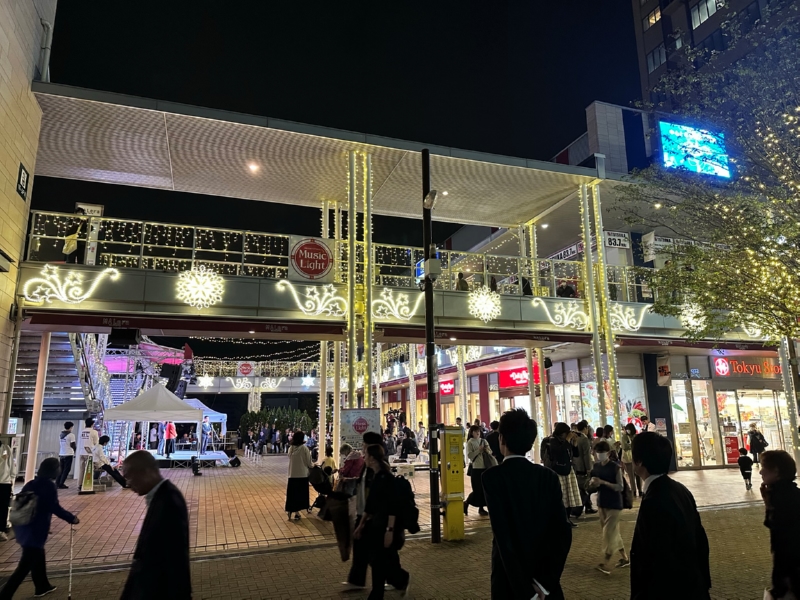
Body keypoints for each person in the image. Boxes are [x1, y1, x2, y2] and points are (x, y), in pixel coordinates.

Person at [482, 409, 572, 599]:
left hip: (509, 582)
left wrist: (526, 591)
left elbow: (504, 537)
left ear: (502, 439)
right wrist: (544, 583)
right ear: (531, 443)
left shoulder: (492, 478)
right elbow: (562, 532)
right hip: (545, 580)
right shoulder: (548, 477)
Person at [630, 432, 710, 599]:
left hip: (669, 590)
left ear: (639, 461)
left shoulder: (653, 500)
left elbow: (654, 556)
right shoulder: (680, 490)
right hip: (692, 585)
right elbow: (700, 539)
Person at [0, 458, 79, 599]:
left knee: (37, 557)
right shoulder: (49, 486)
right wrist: (71, 518)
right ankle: (5, 594)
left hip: (23, 527)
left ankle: (42, 586)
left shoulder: (31, 483)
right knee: (24, 566)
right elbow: (54, 507)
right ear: (54, 470)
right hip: (35, 530)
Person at [121, 451, 190, 600]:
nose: (128, 484)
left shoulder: (169, 501)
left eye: (129, 477)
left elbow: (173, 557)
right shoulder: (160, 497)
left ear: (146, 472)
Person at [353, 444, 411, 599]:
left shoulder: (386, 478)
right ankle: (399, 580)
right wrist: (361, 525)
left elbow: (392, 506)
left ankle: (394, 583)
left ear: (372, 458)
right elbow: (371, 504)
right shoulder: (376, 476)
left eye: (365, 455)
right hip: (377, 523)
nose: (364, 458)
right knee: (378, 560)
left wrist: (389, 530)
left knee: (379, 560)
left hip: (386, 525)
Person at [344, 431, 383, 591]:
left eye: (364, 443)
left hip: (371, 515)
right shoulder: (366, 465)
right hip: (363, 512)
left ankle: (399, 578)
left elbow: (374, 496)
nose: (362, 446)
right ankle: (357, 580)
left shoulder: (378, 469)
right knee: (360, 548)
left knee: (375, 553)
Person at [760, 450, 800, 599]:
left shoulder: (783, 497)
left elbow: (780, 531)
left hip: (791, 569)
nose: (761, 472)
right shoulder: (787, 493)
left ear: (776, 471)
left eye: (764, 467)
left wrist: (783, 582)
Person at [590, 440, 629, 575]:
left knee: (608, 533)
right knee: (613, 532)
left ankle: (605, 562)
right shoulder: (596, 466)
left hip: (614, 504)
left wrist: (603, 482)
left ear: (608, 453)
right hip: (602, 503)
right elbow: (592, 484)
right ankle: (625, 558)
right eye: (597, 452)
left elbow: (620, 486)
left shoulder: (615, 467)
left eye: (602, 452)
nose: (599, 454)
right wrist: (593, 483)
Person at [544, 422, 582, 528]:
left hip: (568, 470)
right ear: (561, 433)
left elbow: (576, 454)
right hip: (558, 471)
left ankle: (567, 519)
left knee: (569, 497)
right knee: (562, 497)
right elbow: (558, 452)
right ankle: (563, 520)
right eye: (566, 433)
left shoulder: (566, 441)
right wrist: (567, 440)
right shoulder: (553, 440)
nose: (567, 435)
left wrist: (574, 443)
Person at [465, 425, 494, 516]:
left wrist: (486, 450)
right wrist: (478, 450)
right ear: (472, 433)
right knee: (477, 489)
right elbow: (470, 455)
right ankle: (467, 503)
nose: (477, 433)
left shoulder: (484, 441)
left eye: (478, 431)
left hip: (485, 467)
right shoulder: (470, 442)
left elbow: (490, 452)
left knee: (484, 489)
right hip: (476, 468)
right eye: (475, 431)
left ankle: (481, 508)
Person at [285, 431, 313, 520]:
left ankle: (291, 510)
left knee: (292, 494)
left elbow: (289, 457)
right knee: (300, 495)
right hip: (302, 474)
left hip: (292, 474)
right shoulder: (304, 449)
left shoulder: (291, 448)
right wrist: (313, 466)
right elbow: (309, 463)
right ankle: (298, 512)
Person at [573, 420, 596, 515]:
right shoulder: (584, 439)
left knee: (582, 487)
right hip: (583, 466)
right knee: (586, 487)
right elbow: (586, 455)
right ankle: (584, 507)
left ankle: (588, 506)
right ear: (585, 428)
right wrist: (589, 468)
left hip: (576, 466)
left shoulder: (574, 437)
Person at [620, 423, 642, 496]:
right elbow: (624, 446)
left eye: (628, 429)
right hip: (628, 459)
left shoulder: (636, 436)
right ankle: (633, 490)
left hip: (636, 458)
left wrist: (630, 444)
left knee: (638, 475)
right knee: (631, 475)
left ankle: (640, 490)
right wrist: (632, 445)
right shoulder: (624, 437)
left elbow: (637, 446)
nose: (627, 431)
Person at [78, 418, 99, 491]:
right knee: (89, 469)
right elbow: (96, 443)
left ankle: (80, 484)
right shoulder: (94, 432)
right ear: (92, 424)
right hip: (90, 453)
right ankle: (88, 484)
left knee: (81, 469)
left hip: (81, 452)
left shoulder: (81, 432)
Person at [56, 421, 77, 490]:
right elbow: (73, 445)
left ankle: (57, 483)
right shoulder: (71, 435)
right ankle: (61, 483)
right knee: (66, 470)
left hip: (62, 453)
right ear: (71, 427)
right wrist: (74, 451)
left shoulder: (61, 435)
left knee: (61, 469)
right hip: (69, 453)